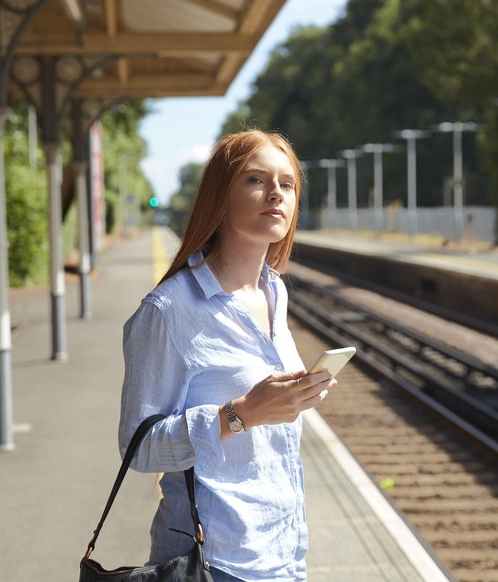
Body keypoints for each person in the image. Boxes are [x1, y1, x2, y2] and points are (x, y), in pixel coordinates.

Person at [119, 129, 336, 582]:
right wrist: (242, 413)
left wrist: (294, 396)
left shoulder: (274, 291)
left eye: (288, 183)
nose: (276, 193)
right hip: (213, 559)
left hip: (282, 551)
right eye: (256, 180)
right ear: (220, 194)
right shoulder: (169, 311)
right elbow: (137, 449)